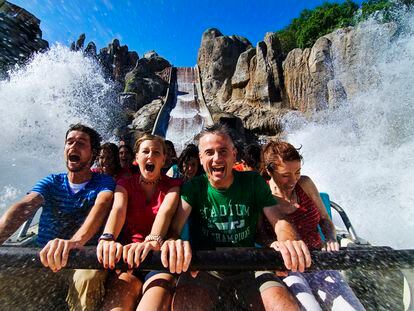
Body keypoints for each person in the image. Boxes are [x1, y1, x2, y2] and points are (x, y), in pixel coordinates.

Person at [160, 123, 311, 311]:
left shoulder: (253, 181)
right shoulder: (194, 187)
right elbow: (174, 228)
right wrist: (173, 241)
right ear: (200, 158)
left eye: (223, 151)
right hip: (206, 267)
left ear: (234, 154)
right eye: (209, 153)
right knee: (186, 305)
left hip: (250, 265)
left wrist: (289, 241)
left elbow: (279, 220)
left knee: (283, 306)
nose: (216, 158)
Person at [0, 123, 116, 310]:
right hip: (44, 259)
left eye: (81, 143)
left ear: (93, 154)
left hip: (83, 260)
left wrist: (75, 242)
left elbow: (102, 206)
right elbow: (25, 206)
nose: (73, 146)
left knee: (89, 278)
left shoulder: (103, 182)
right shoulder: (52, 181)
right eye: (70, 142)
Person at [263, 140, 364, 310]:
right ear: (269, 172)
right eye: (285, 175)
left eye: (297, 172)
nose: (293, 180)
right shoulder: (262, 193)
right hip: (287, 266)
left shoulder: (305, 183)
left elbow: (325, 219)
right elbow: (260, 234)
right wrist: (270, 244)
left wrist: (331, 238)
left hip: (318, 260)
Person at [96, 134, 182, 310]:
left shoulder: (173, 185)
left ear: (164, 159)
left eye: (156, 152)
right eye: (145, 152)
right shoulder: (124, 184)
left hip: (158, 259)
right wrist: (108, 237)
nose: (150, 156)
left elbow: (165, 212)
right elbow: (118, 210)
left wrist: (152, 241)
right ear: (137, 158)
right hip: (130, 259)